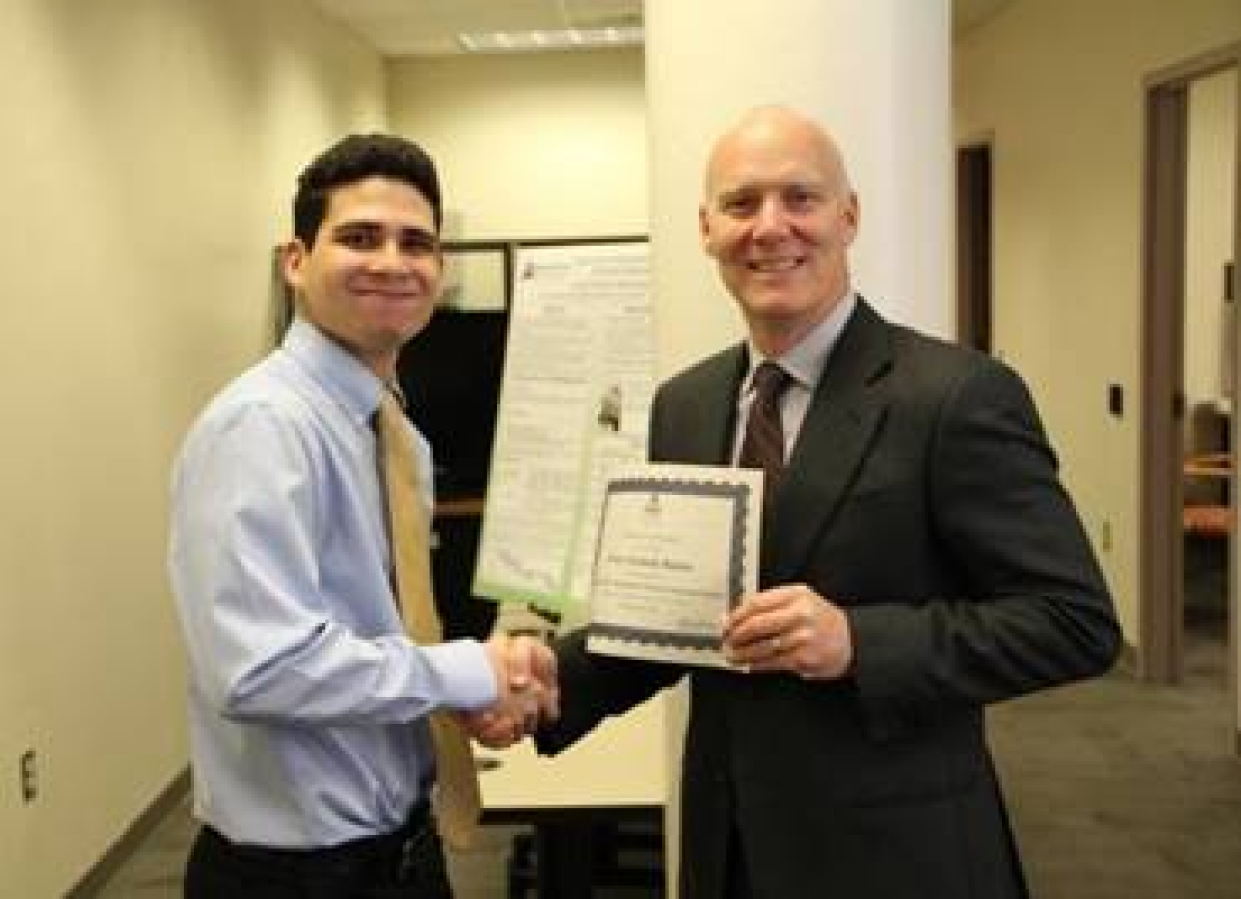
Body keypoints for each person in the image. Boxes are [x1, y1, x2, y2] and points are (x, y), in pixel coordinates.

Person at [475, 106, 1122, 898]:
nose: (771, 227)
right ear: (706, 228)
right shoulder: (686, 403)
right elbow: (677, 617)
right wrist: (549, 682)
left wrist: (858, 639)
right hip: (730, 844)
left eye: (801, 199)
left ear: (848, 217)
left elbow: (1074, 621)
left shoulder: (955, 396)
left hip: (897, 853)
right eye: (742, 204)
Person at [169, 133, 554, 898]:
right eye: (358, 237)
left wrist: (459, 694)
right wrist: (467, 670)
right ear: (296, 259)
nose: (391, 260)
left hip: (400, 846)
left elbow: (381, 630)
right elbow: (262, 667)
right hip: (297, 876)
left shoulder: (390, 431)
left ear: (438, 270)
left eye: (416, 242)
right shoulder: (263, 426)